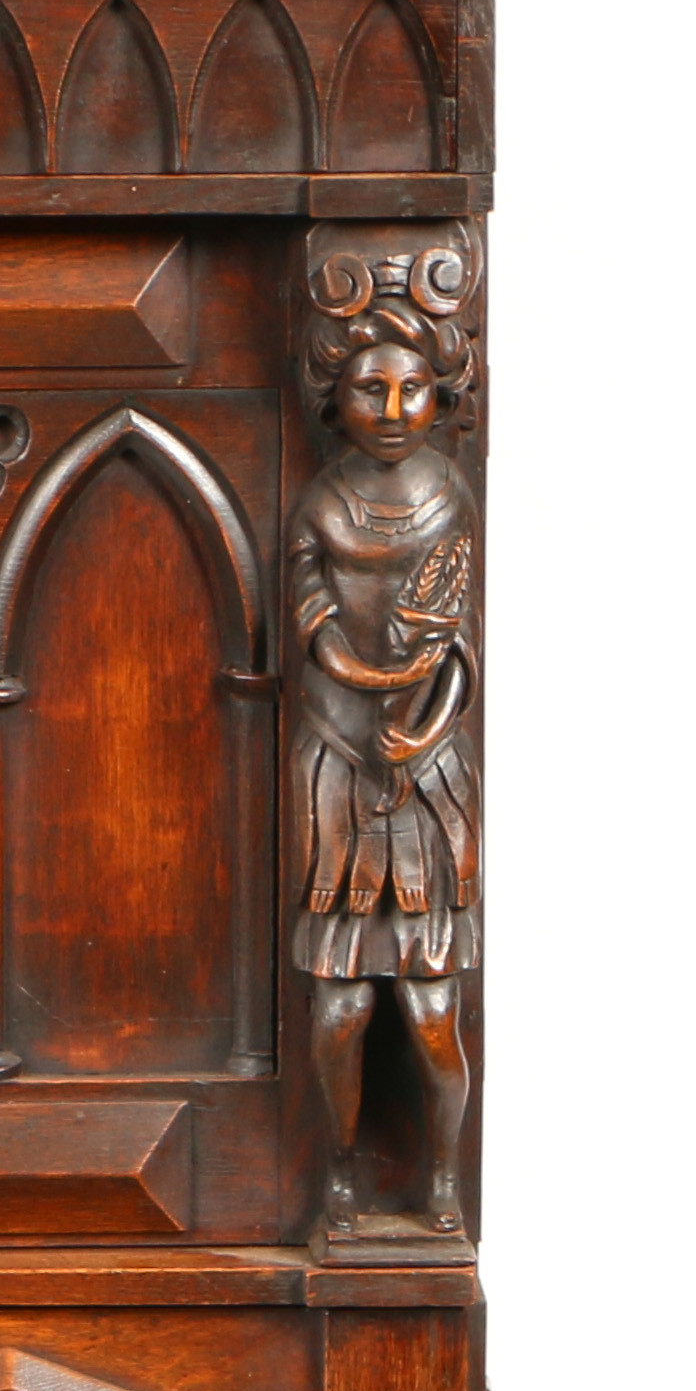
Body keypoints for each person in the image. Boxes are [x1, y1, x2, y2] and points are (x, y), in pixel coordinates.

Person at [287, 241, 482, 1235]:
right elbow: (312, 618)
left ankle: (438, 1175)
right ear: (337, 397)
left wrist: (416, 736)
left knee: (433, 1013)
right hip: (334, 767)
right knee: (340, 1010)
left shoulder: (449, 496)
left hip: (425, 776)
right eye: (372, 388)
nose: (396, 408)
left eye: (413, 388)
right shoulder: (322, 504)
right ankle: (342, 1174)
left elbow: (454, 652)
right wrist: (363, 689)